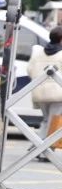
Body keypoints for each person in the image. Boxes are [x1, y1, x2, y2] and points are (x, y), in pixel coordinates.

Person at [26, 25, 62, 161]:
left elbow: (30, 69)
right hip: (58, 94)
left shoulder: (39, 52)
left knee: (47, 120)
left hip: (39, 92)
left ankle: (37, 145)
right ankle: (43, 150)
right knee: (54, 122)